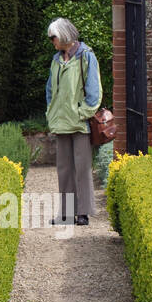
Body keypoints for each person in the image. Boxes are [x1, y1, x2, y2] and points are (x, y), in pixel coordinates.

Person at [44, 16, 102, 225]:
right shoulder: (56, 60)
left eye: (54, 37)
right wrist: (51, 113)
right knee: (64, 169)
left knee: (82, 167)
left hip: (79, 123)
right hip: (60, 122)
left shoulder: (86, 56)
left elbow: (94, 90)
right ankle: (67, 214)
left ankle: (84, 213)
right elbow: (50, 89)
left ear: (65, 35)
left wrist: (82, 113)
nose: (52, 41)